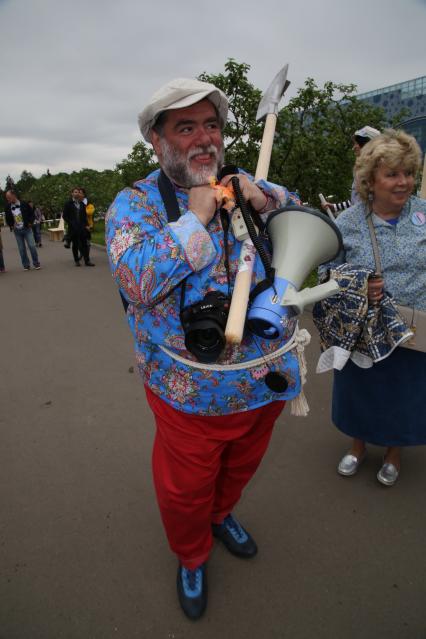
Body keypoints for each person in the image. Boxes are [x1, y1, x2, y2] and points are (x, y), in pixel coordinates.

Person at [106, 77, 305, 620]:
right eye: (185, 127)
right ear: (157, 139)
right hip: (189, 395)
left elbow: (312, 226)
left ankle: (223, 516)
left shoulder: (246, 186)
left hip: (265, 379)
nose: (203, 139)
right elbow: (139, 279)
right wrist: (195, 217)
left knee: (240, 470)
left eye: (211, 126)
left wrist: (272, 197)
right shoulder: (135, 203)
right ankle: (192, 554)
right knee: (183, 492)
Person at [315, 129, 426, 487]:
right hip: (362, 328)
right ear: (370, 180)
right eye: (392, 174)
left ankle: (393, 453)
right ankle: (358, 447)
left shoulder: (423, 214)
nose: (403, 182)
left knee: (403, 392)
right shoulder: (347, 222)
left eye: (408, 173)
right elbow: (323, 272)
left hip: (413, 326)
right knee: (359, 389)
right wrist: (356, 283)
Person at [321, 125, 381, 215]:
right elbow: (357, 201)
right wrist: (335, 207)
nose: (353, 147)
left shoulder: (378, 170)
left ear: (366, 144)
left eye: (356, 143)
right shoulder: (361, 169)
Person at [4, 190, 41, 270]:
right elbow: (7, 218)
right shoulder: (7, 207)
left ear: (14, 195)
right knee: (21, 249)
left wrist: (30, 223)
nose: (8, 199)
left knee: (32, 246)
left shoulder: (24, 203)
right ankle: (26, 265)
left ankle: (36, 263)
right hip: (17, 230)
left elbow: (32, 214)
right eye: (7, 198)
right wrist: (11, 225)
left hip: (27, 228)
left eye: (9, 197)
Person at [62, 188, 95, 266]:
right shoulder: (68, 204)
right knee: (75, 245)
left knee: (85, 245)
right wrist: (71, 223)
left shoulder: (82, 204)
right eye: (75, 192)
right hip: (73, 228)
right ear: (72, 194)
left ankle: (87, 261)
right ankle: (76, 260)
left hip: (82, 228)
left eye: (78, 192)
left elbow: (84, 217)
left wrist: (87, 225)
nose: (77, 193)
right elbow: (65, 216)